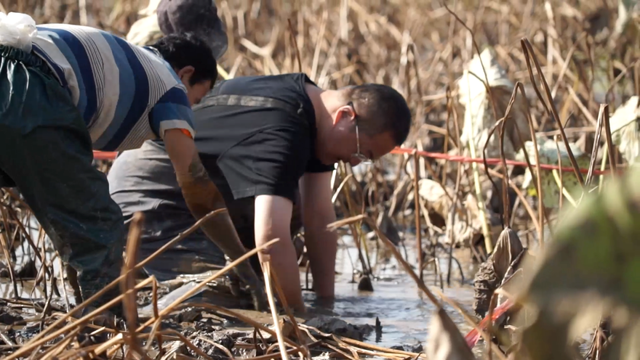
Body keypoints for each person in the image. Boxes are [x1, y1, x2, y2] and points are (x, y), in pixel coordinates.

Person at [0, 18, 261, 310]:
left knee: (77, 218)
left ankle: (86, 311)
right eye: (197, 99)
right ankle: (107, 334)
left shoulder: (129, 62)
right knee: (101, 227)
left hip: (14, 76)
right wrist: (244, 268)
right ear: (186, 74)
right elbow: (198, 186)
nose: (192, 110)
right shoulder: (171, 88)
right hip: (27, 86)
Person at [108, 72, 412, 312]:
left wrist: (325, 303)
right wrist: (298, 318)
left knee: (281, 240)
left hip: (200, 192)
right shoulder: (285, 129)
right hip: (152, 190)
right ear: (345, 116)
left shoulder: (310, 108)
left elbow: (320, 220)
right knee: (220, 300)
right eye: (362, 152)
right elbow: (269, 240)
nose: (354, 162)